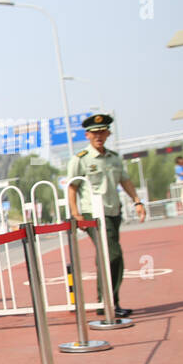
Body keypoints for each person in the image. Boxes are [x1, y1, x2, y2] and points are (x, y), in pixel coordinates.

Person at [66, 113, 146, 318]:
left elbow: (125, 181)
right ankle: (110, 301)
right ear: (87, 135)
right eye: (94, 133)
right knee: (113, 254)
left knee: (106, 256)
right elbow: (72, 188)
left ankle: (106, 301)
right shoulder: (80, 159)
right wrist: (75, 214)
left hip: (113, 212)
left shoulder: (114, 158)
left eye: (102, 132)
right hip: (91, 213)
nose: (98, 136)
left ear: (108, 133)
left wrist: (137, 201)